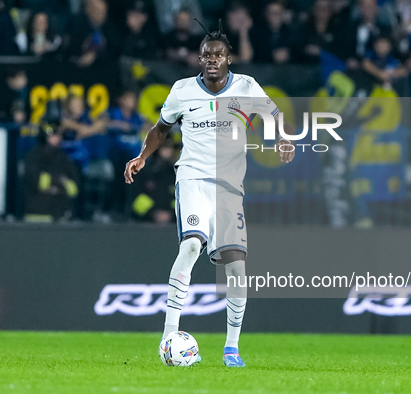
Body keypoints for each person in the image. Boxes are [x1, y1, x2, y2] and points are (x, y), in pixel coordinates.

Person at [124, 19, 295, 367]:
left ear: (229, 59)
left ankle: (231, 348)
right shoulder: (182, 90)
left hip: (230, 189)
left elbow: (275, 115)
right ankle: (169, 335)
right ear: (199, 59)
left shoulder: (246, 87)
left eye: (218, 54)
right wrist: (143, 155)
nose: (212, 59)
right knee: (190, 245)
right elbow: (161, 128)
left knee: (236, 269)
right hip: (193, 179)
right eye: (206, 55)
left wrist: (282, 136)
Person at [24, 102, 79, 222]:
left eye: (59, 132)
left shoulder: (64, 158)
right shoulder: (33, 156)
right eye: (51, 131)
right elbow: (36, 182)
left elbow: (74, 188)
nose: (56, 136)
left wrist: (52, 183)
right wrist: (60, 180)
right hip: (37, 216)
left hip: (60, 216)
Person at [65, 0, 120, 67]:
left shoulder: (110, 28)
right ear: (88, 9)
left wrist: (96, 56)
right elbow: (71, 51)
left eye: (104, 12)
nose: (102, 15)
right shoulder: (76, 24)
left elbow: (114, 51)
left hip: (101, 69)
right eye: (97, 11)